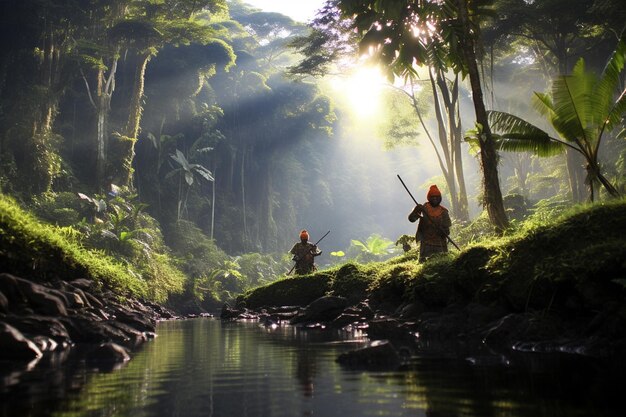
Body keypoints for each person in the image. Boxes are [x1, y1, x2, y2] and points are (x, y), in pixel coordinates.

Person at [408, 184, 452, 262]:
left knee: (442, 263)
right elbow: (411, 219)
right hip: (426, 244)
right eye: (432, 197)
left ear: (440, 198)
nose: (435, 198)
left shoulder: (443, 211)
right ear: (429, 198)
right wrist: (415, 211)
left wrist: (442, 231)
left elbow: (447, 230)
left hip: (440, 245)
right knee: (424, 264)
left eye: (437, 197)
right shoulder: (423, 208)